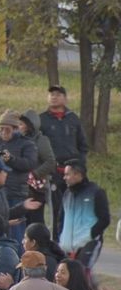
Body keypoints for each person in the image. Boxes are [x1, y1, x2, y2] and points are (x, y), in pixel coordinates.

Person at [40, 85, 90, 236]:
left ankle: (73, 238)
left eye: (58, 94)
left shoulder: (73, 119)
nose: (54, 97)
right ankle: (56, 239)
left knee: (74, 205)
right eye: (51, 94)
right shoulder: (42, 119)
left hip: (73, 171)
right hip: (53, 171)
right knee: (56, 207)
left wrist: (79, 166)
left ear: (65, 98)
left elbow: (83, 145)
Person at [58, 160, 110, 268]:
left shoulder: (96, 192)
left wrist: (89, 236)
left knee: (83, 273)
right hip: (66, 247)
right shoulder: (66, 194)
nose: (64, 178)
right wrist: (61, 238)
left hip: (88, 244)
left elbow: (105, 219)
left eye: (67, 174)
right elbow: (61, 220)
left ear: (78, 175)